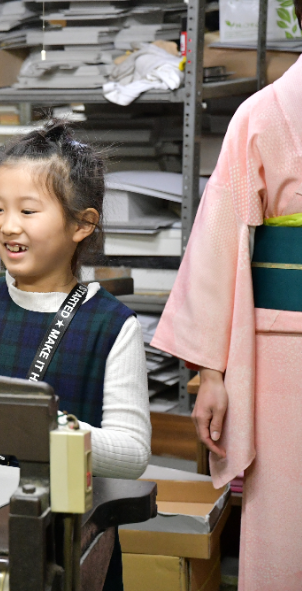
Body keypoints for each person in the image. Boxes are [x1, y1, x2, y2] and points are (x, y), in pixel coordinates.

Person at [0, 120, 152, 590]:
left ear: (82, 224)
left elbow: (131, 455)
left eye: (29, 210)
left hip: (74, 540)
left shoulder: (112, 326)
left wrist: (40, 429)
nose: (8, 226)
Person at [151, 22, 302, 590]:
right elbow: (221, 248)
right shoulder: (265, 114)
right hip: (286, 354)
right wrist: (213, 371)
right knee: (290, 520)